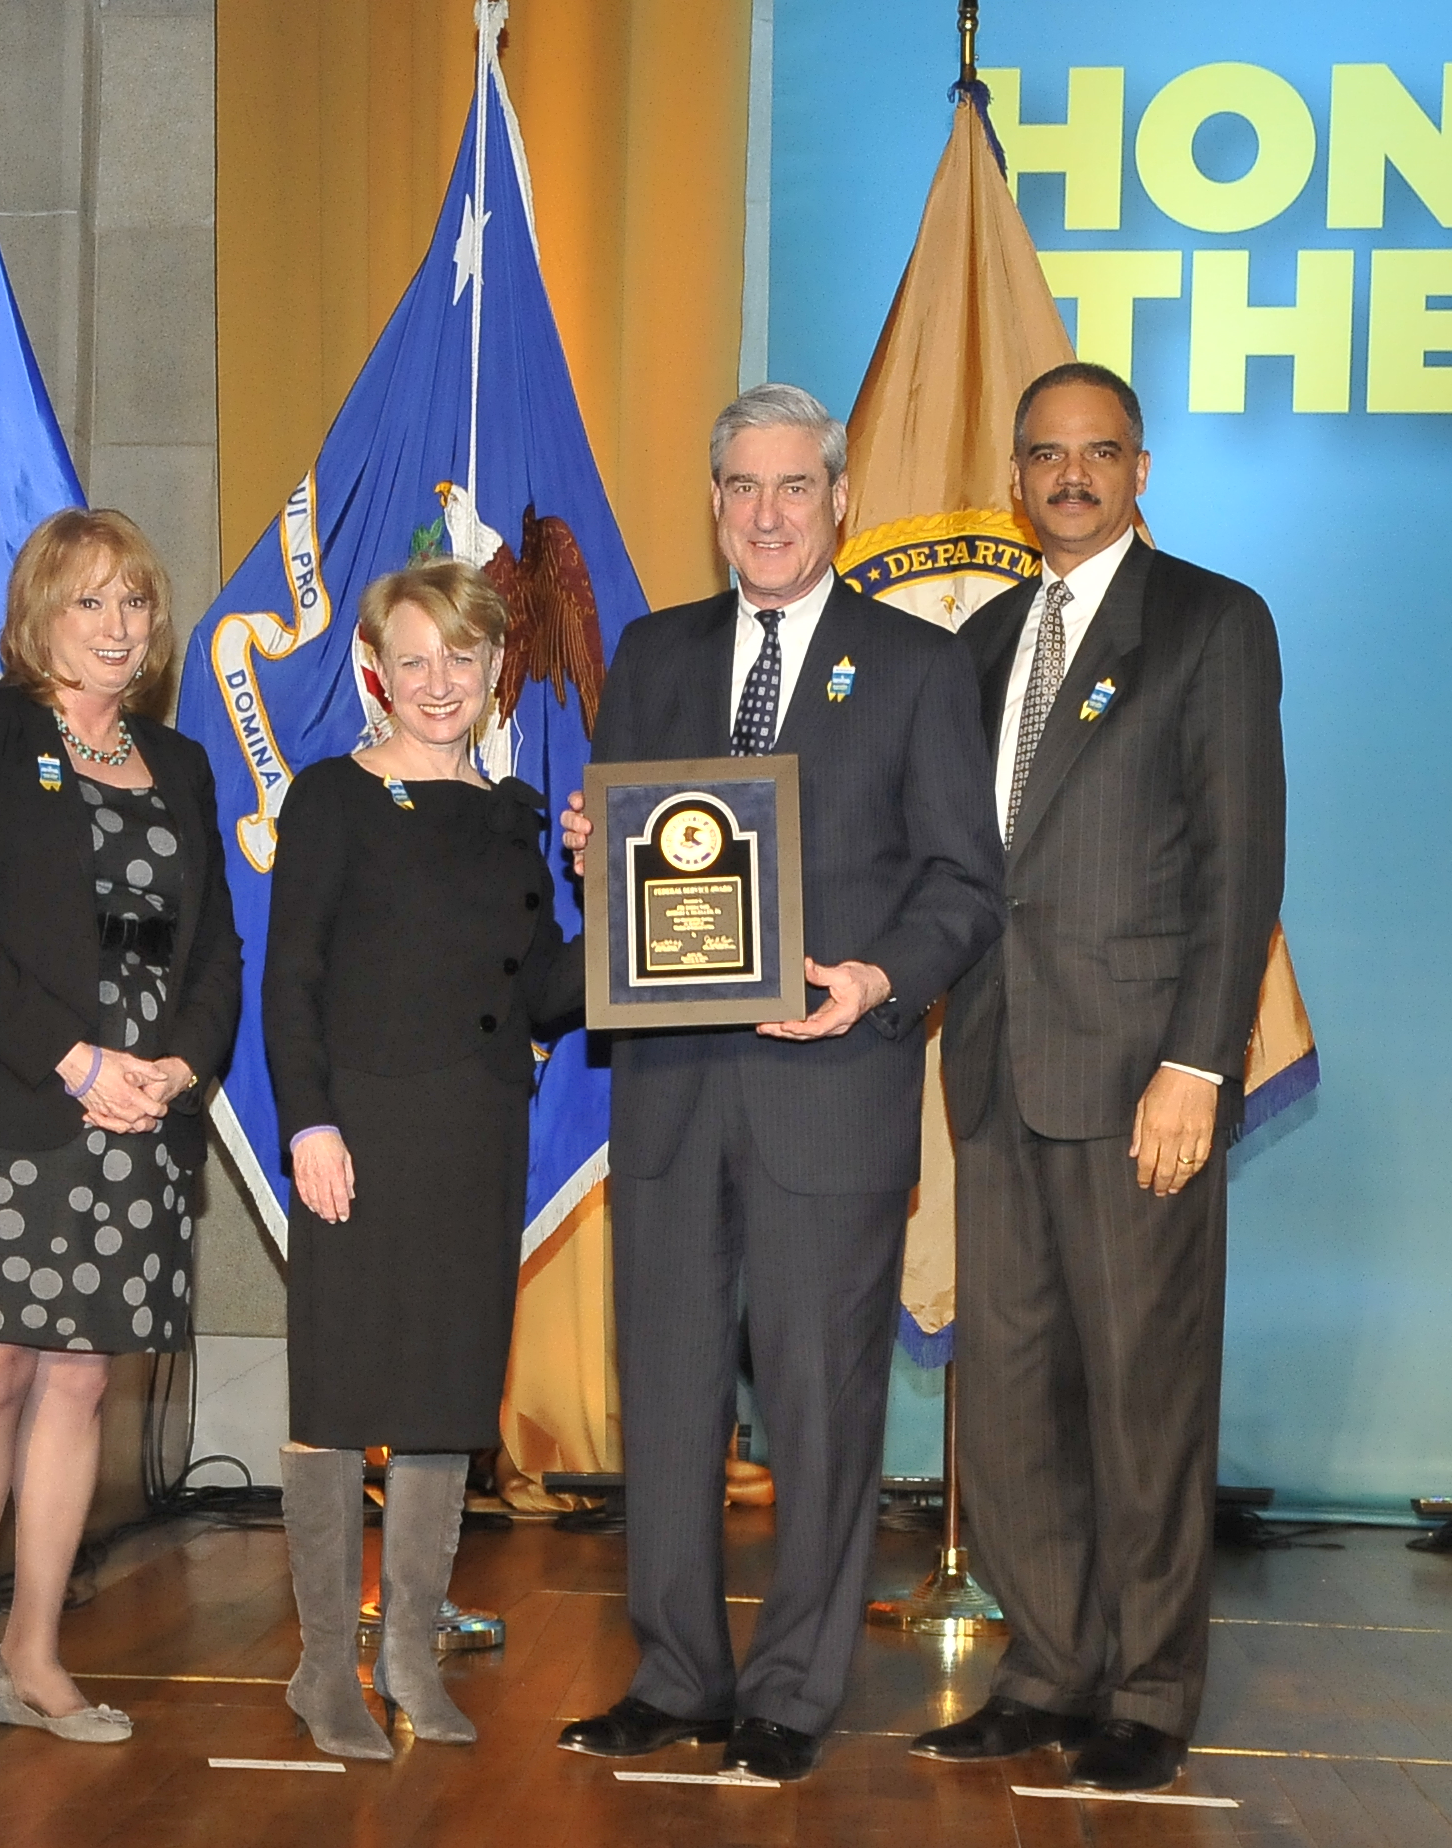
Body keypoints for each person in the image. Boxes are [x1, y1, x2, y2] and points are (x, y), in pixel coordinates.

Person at [555, 384, 1004, 1783]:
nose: (765, 514)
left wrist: (873, 981)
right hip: (677, 1097)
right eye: (741, 488)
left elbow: (963, 884)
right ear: (714, 504)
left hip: (832, 1094)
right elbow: (644, 867)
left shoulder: (918, 669)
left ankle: (795, 1693)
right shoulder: (653, 653)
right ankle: (679, 1670)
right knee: (671, 1397)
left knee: (820, 1406)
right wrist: (593, 843)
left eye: (793, 488)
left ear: (838, 498)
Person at [911, 361, 1285, 1794]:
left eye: (1099, 451)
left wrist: (1198, 1061)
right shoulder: (985, 638)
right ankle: (1046, 1670)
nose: (1070, 475)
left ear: (1141, 469)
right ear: (1017, 477)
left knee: (1142, 1396)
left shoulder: (1210, 622)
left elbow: (1240, 862)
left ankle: (1146, 1687)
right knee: (1008, 1397)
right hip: (1000, 1071)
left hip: (1144, 1081)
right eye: (1046, 454)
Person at [0, 507, 242, 1755]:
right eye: (89, 602)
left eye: (134, 603)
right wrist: (78, 1059)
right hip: (3, 1102)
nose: (116, 628)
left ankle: (36, 1650)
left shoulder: (182, 766)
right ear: (39, 617)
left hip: (141, 1116)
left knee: (83, 1385)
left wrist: (178, 1066)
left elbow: (217, 954)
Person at [261, 559, 584, 1758]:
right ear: (374, 673)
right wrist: (311, 1123)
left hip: (475, 1130)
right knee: (339, 1395)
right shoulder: (331, 798)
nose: (439, 681)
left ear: (495, 669)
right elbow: (289, 978)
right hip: (361, 1131)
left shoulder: (514, 813)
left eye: (462, 657)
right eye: (415, 659)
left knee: (449, 1399)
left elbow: (541, 987)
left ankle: (408, 1656)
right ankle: (322, 1670)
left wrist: (644, 932)